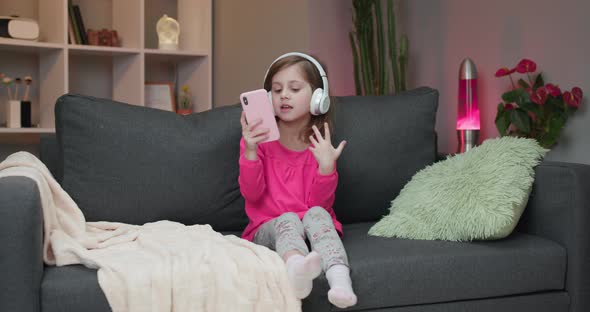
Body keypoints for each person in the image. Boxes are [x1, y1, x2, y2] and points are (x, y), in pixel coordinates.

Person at [238, 52, 357, 309]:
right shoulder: (259, 140)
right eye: (277, 90)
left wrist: (326, 167)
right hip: (268, 227)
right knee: (289, 219)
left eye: (294, 88)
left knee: (317, 215)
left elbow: (319, 204)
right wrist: (250, 151)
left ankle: (339, 280)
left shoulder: (319, 144)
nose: (284, 96)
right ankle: (296, 270)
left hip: (310, 224)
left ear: (318, 98)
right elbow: (252, 194)